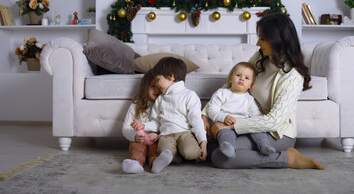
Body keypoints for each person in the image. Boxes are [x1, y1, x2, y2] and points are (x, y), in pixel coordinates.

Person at [208, 13, 324, 170]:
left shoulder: (292, 76)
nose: (257, 43)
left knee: (221, 157)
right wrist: (204, 114)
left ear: (277, 39)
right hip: (248, 123)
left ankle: (288, 159)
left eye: (262, 38)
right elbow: (235, 85)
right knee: (209, 145)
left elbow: (273, 121)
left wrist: (232, 126)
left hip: (275, 133)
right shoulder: (261, 56)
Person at [132, 57, 207, 173]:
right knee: (164, 151)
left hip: (185, 133)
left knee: (190, 152)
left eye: (158, 79)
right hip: (166, 135)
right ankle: (175, 158)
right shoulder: (160, 99)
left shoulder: (189, 95)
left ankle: (188, 154)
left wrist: (203, 141)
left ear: (171, 76)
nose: (156, 84)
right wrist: (144, 126)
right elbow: (156, 122)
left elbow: (196, 121)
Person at [205, 61, 276, 159]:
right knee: (225, 134)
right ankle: (229, 148)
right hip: (226, 124)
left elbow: (256, 114)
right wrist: (223, 117)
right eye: (238, 75)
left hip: (245, 125)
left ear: (250, 85)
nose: (242, 79)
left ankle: (264, 145)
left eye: (246, 78)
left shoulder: (249, 99)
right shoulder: (222, 93)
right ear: (230, 78)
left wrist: (257, 121)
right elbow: (212, 110)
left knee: (257, 131)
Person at [121, 69, 162, 174]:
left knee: (156, 150)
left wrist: (157, 135)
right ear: (145, 87)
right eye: (153, 86)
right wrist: (135, 136)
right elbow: (126, 128)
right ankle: (136, 164)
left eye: (159, 87)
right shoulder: (135, 105)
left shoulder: (163, 106)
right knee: (137, 149)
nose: (156, 90)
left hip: (155, 140)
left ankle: (156, 163)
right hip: (139, 139)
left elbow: (167, 126)